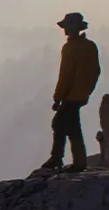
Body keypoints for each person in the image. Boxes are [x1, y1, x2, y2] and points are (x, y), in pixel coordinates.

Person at [41, 12, 101, 172]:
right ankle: (60, 158)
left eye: (67, 27)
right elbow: (96, 71)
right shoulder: (90, 46)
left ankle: (67, 160)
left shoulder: (70, 48)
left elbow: (65, 75)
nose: (65, 30)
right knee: (65, 124)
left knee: (66, 126)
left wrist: (57, 98)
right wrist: (87, 91)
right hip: (80, 94)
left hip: (70, 95)